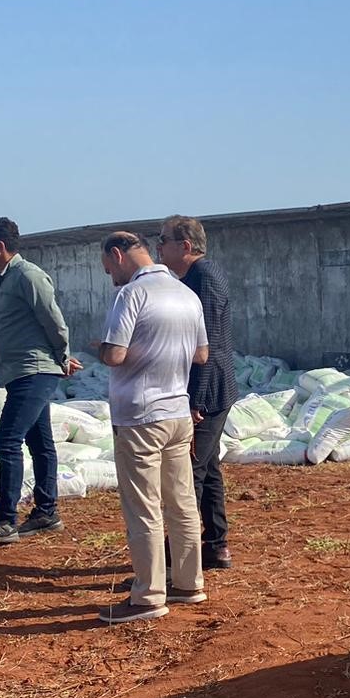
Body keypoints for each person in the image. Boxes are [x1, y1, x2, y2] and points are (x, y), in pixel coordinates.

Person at [91, 232, 211, 624]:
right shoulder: (185, 294)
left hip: (139, 415)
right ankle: (188, 582)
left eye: (109, 268)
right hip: (177, 412)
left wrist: (100, 347)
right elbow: (201, 353)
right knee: (181, 501)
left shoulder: (131, 295)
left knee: (143, 507)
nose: (111, 276)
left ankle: (147, 596)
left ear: (118, 254)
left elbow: (115, 354)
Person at [0, 217, 82, 545]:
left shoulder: (28, 276)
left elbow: (54, 320)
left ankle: (6, 519)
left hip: (35, 372)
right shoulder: (5, 279)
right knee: (39, 443)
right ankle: (47, 512)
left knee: (7, 439)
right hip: (21, 372)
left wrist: (61, 358)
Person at [158, 215, 238, 571]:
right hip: (217, 387)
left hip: (209, 390)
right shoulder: (199, 276)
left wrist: (194, 401)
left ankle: (181, 551)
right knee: (208, 467)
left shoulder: (202, 279)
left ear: (185, 246)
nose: (157, 248)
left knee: (188, 470)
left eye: (163, 241)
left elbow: (205, 345)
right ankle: (216, 545)